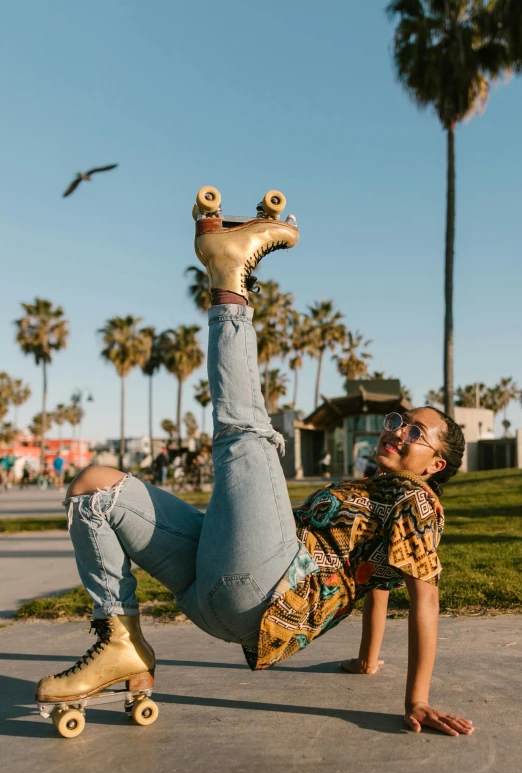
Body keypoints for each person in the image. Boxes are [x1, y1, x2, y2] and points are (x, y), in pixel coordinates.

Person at [35, 197, 472, 737]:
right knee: (94, 490)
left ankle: (229, 279)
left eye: (415, 432)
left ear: (436, 464)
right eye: (398, 419)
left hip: (268, 592)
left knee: (247, 437)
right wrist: (365, 661)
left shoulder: (418, 502)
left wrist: (418, 700)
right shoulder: (378, 497)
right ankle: (120, 639)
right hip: (215, 598)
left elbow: (423, 596)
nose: (396, 430)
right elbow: (378, 585)